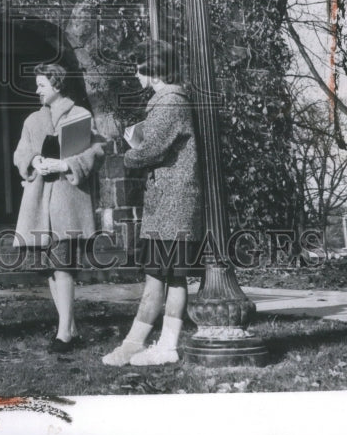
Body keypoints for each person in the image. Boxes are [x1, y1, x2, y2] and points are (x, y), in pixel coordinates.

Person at [102, 41, 204, 367]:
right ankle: (150, 344)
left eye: (139, 68)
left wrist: (128, 154)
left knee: (162, 277)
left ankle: (151, 345)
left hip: (171, 204)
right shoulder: (170, 101)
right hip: (171, 203)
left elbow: (150, 150)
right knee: (167, 276)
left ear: (153, 70)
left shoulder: (169, 102)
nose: (135, 74)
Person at [13, 62, 106, 353]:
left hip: (68, 201)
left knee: (64, 266)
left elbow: (97, 151)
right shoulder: (32, 120)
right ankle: (70, 327)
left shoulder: (81, 116)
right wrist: (33, 161)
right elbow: (21, 151)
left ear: (56, 85)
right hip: (38, 202)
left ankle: (63, 333)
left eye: (41, 84)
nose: (36, 89)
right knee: (51, 270)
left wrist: (67, 164)